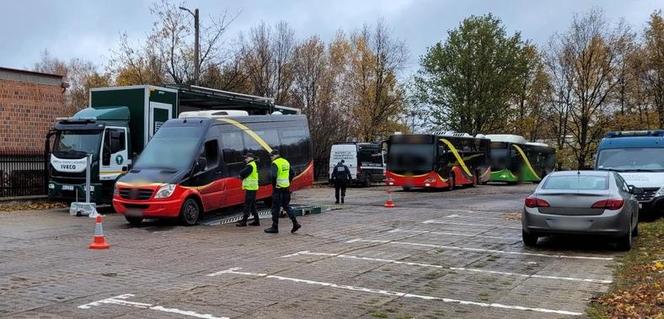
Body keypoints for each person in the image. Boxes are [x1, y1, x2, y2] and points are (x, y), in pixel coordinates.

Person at [264, 150, 301, 234]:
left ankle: (275, 227)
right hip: (286, 188)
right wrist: (288, 182)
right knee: (286, 206)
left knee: (275, 208)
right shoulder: (285, 162)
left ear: (275, 156)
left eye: (271, 156)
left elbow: (273, 175)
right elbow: (292, 173)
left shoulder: (275, 163)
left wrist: (274, 185)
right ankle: (295, 223)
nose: (271, 158)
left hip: (278, 189)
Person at [236, 153, 260, 227]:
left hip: (251, 188)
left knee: (247, 205)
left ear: (250, 158)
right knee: (252, 205)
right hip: (253, 187)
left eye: (246, 158)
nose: (245, 159)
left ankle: (244, 221)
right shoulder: (254, 164)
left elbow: (242, 173)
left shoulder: (250, 165)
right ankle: (256, 221)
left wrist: (240, 176)